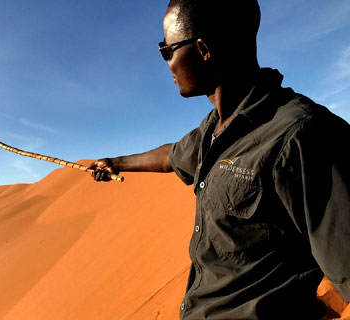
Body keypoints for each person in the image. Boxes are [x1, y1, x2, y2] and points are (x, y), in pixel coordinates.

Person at [88, 0, 350, 319]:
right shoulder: (213, 131)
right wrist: (115, 162)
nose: (167, 62)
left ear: (202, 49)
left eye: (166, 49)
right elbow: (170, 156)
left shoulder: (302, 135)